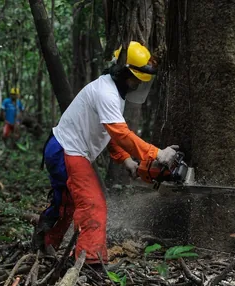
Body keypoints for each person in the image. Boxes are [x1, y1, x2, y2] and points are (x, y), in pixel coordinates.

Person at [33, 41, 178, 267]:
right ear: (124, 72)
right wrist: (156, 154)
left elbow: (109, 134)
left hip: (68, 149)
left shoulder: (113, 92)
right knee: (92, 204)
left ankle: (45, 242)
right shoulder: (106, 93)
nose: (138, 84)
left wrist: (127, 160)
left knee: (69, 203)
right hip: (66, 150)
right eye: (136, 79)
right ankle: (90, 262)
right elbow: (120, 134)